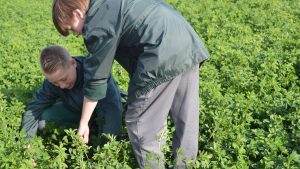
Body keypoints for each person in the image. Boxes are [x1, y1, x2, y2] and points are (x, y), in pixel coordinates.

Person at [52, 0, 210, 168]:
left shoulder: (97, 20)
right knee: (185, 117)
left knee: (139, 122)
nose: (76, 33)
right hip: (186, 41)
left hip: (160, 52)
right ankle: (185, 165)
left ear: (77, 14)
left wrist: (83, 123)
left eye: (71, 28)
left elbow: (97, 77)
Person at [21, 45, 123, 139]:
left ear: (73, 63)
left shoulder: (95, 73)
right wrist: (26, 141)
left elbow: (112, 110)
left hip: (102, 110)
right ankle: (84, 128)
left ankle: (94, 129)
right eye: (55, 83)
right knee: (44, 118)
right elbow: (35, 108)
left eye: (64, 79)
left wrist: (106, 147)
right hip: (76, 110)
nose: (61, 86)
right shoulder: (52, 81)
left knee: (109, 122)